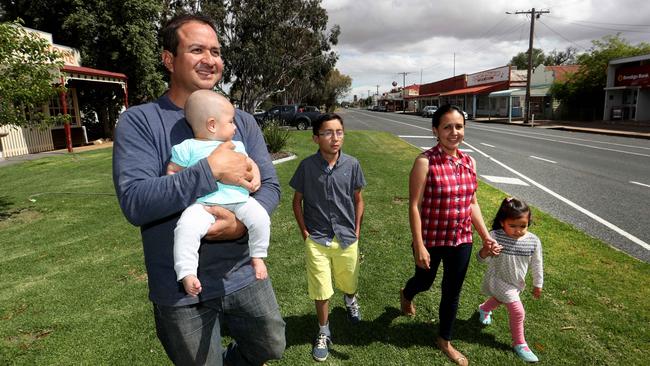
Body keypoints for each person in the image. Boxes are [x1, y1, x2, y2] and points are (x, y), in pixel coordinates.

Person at [112, 14, 285, 365]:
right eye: (197, 50)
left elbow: (270, 187)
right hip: (178, 287)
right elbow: (135, 202)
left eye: (216, 51)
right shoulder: (140, 121)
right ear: (168, 59)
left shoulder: (242, 121)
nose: (211, 59)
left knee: (271, 346)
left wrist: (238, 225)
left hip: (242, 274)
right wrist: (209, 171)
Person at [398, 104, 500, 366]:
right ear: (435, 130)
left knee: (452, 291)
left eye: (459, 126)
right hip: (431, 238)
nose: (454, 132)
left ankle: (444, 340)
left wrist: (485, 236)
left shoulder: (469, 161)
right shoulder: (425, 161)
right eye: (447, 127)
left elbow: (472, 203)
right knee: (425, 282)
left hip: (461, 239)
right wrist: (419, 244)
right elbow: (414, 205)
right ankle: (407, 293)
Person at [168, 90, 270, 296]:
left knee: (261, 218)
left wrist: (256, 176)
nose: (235, 126)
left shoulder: (236, 145)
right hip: (203, 205)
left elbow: (250, 163)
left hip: (239, 200)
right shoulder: (187, 147)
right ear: (212, 124)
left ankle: (257, 255)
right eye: (231, 121)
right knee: (185, 228)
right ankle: (187, 272)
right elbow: (173, 171)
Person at [289, 113, 366, 362]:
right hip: (317, 239)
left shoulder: (352, 165)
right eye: (328, 133)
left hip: (346, 237)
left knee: (349, 281)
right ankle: (323, 330)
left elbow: (358, 199)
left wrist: (356, 229)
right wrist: (304, 231)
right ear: (315, 138)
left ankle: (350, 299)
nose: (335, 138)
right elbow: (297, 201)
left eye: (339, 132)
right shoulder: (306, 167)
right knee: (321, 288)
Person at [477, 197, 543, 363]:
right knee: (517, 311)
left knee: (500, 299)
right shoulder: (495, 236)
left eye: (523, 226)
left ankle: (484, 308)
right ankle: (519, 343)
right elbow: (481, 259)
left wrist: (538, 283)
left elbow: (537, 263)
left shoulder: (533, 241)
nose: (518, 230)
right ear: (502, 222)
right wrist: (487, 251)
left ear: (529, 222)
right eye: (512, 226)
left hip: (515, 283)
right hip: (498, 279)